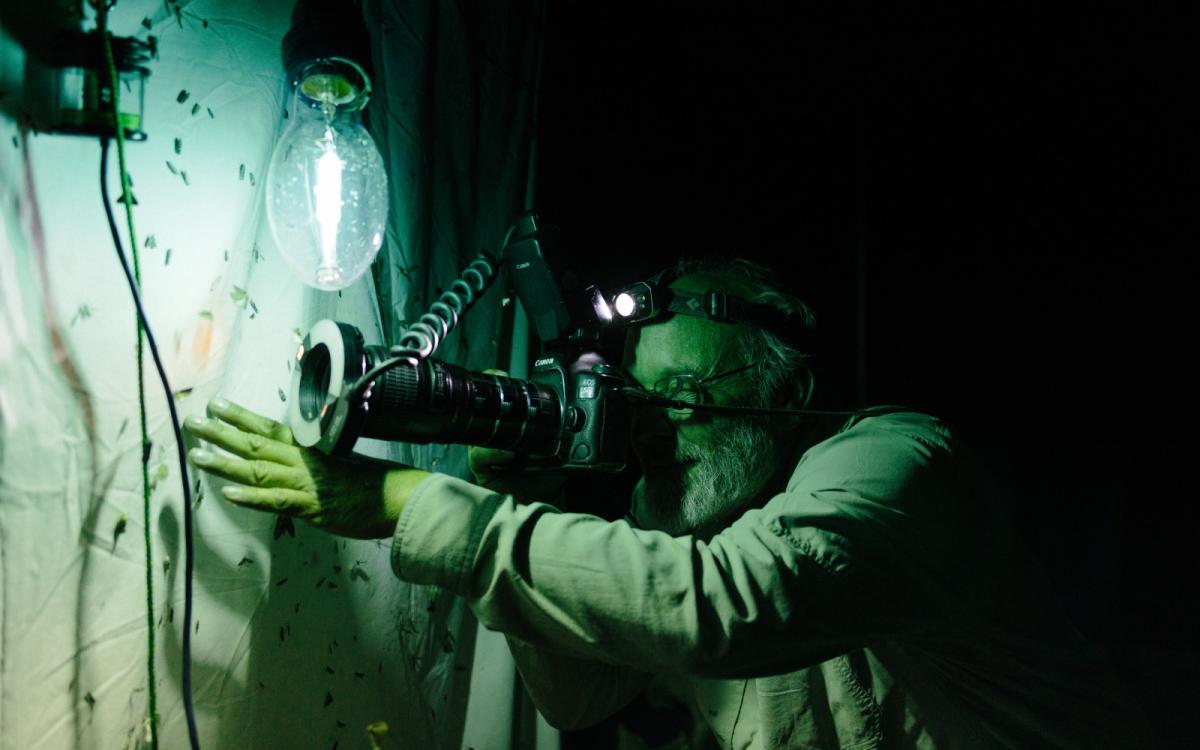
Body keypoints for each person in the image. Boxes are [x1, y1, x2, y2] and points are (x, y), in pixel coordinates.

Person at [185, 257, 1147, 748]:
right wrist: (514, 488)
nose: (654, 428)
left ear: (789, 394)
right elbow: (579, 693)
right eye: (642, 402)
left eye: (683, 399)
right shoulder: (693, 519)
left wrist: (407, 500)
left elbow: (718, 607)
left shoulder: (899, 462)